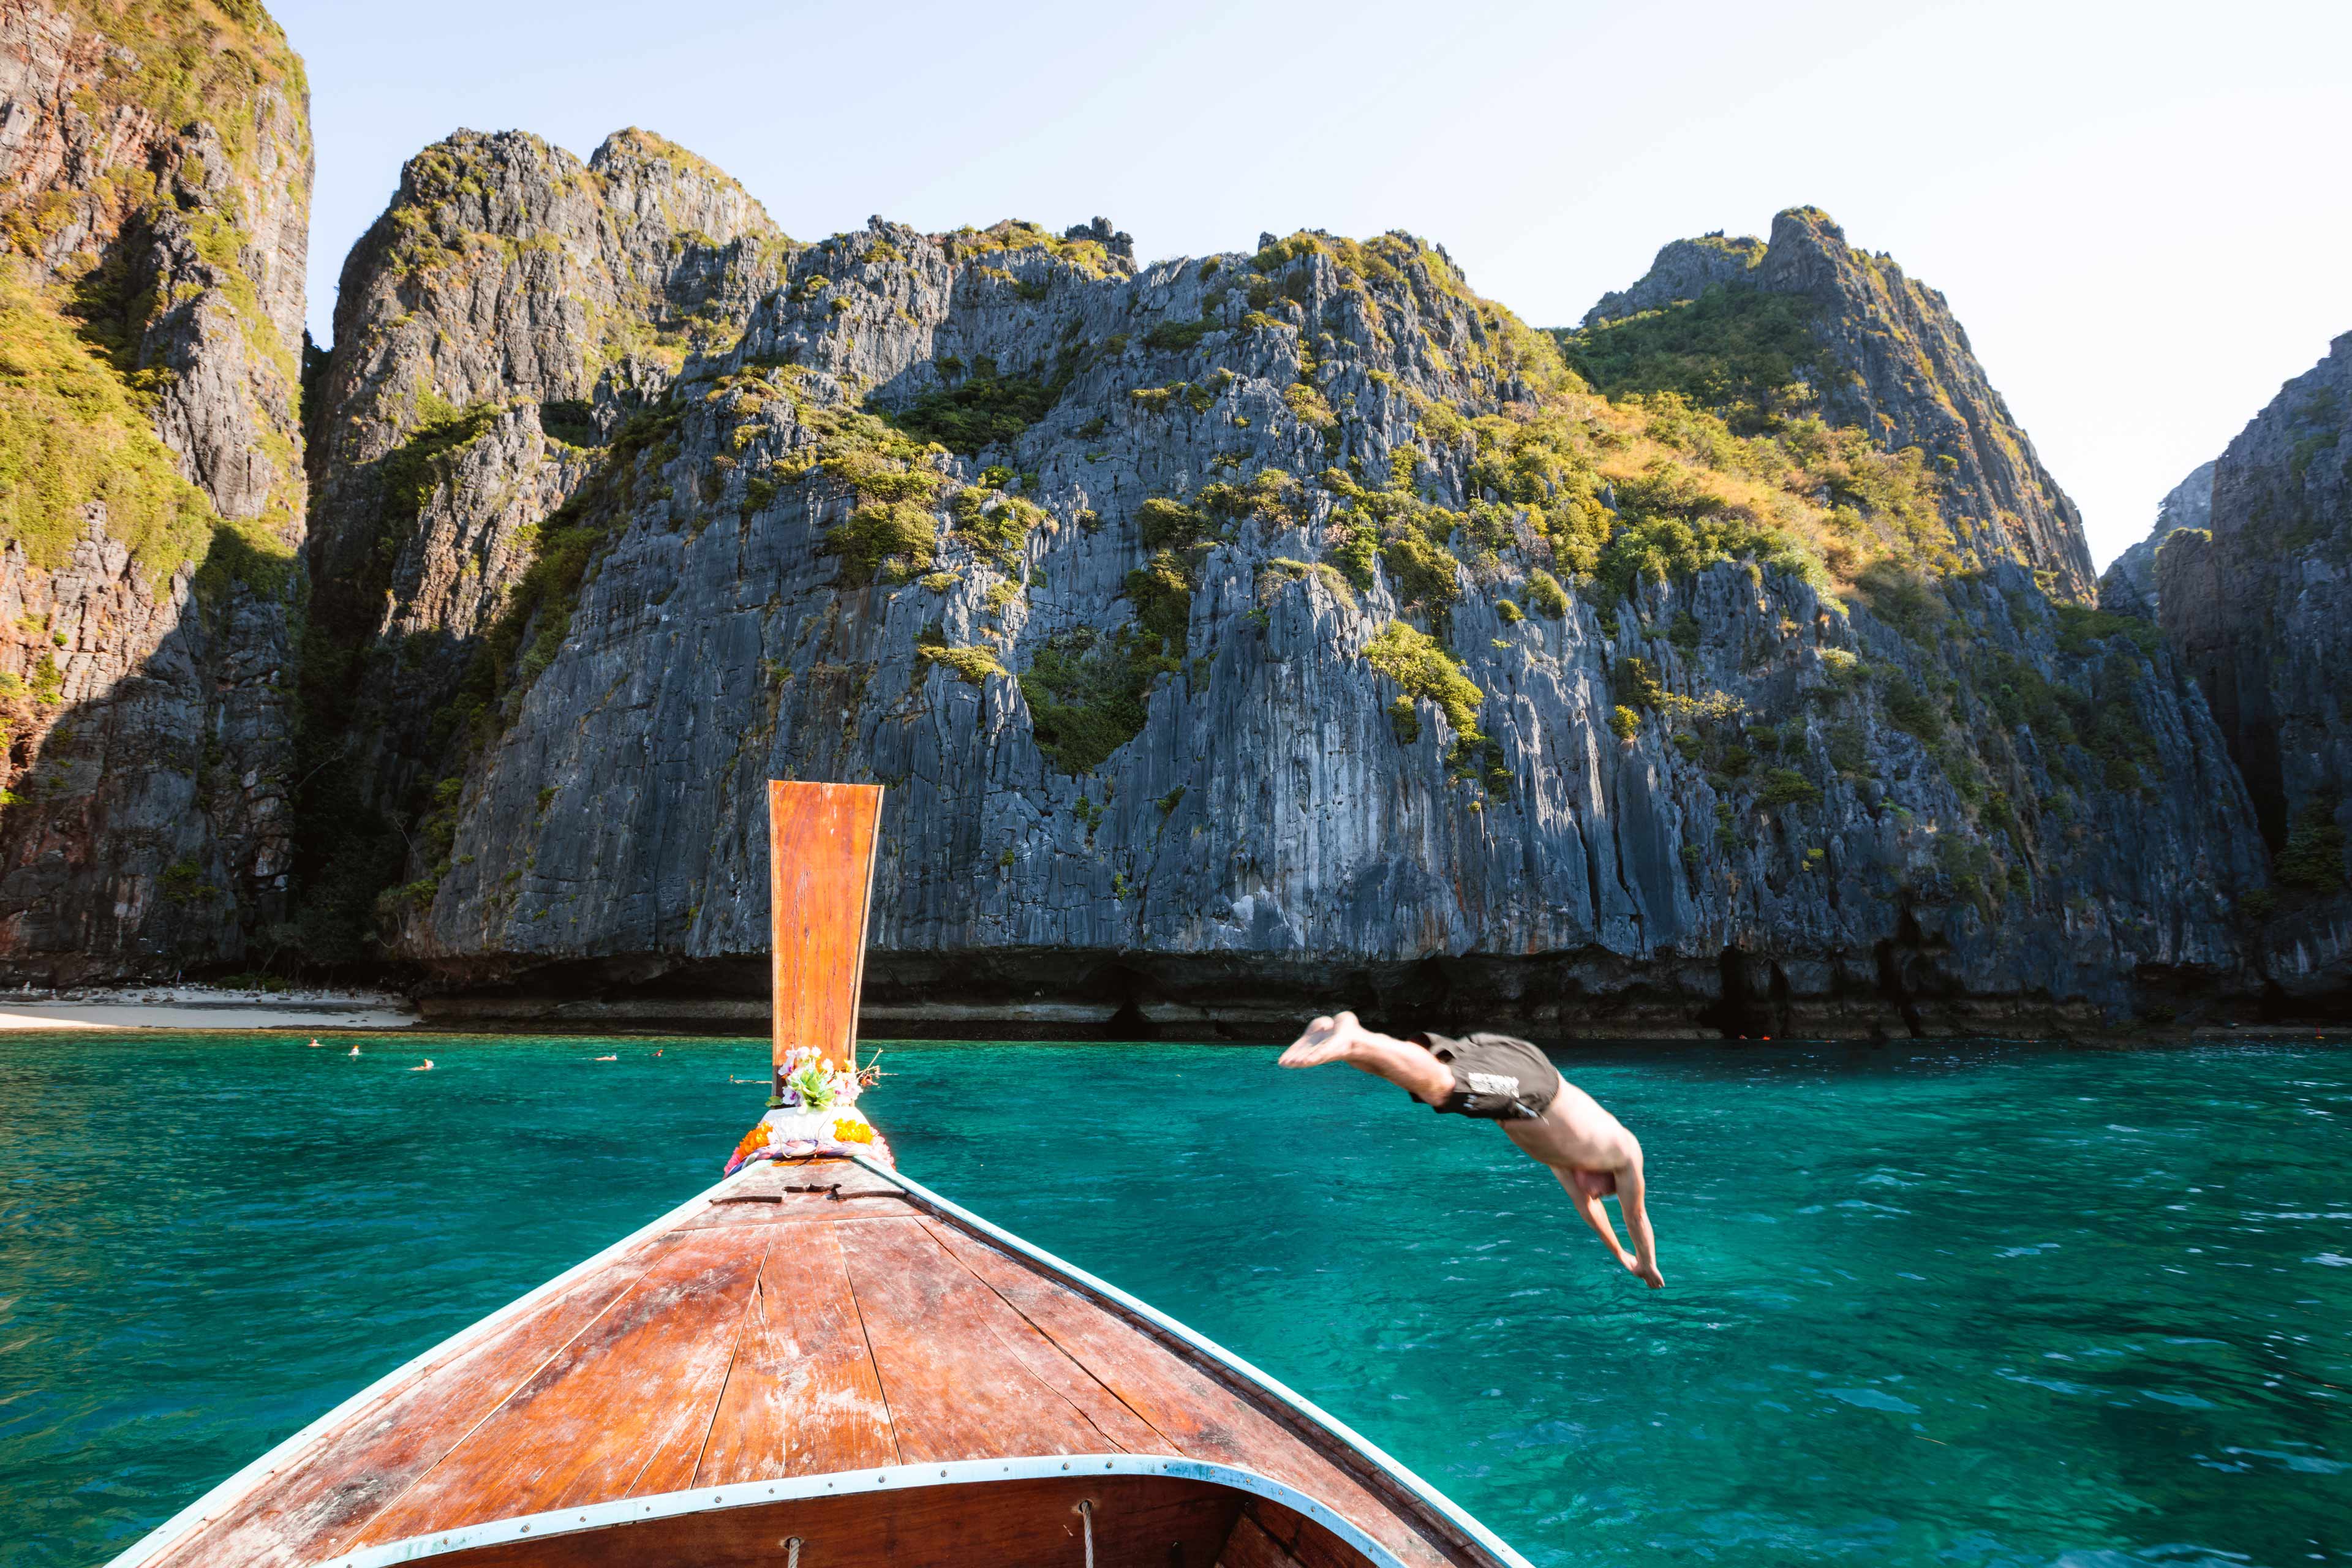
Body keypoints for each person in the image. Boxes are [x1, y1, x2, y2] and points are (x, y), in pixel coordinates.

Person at [1279, 1012, 1663, 1288]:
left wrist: (1621, 1258)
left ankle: (1343, 1036)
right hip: (1535, 1087)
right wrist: (1648, 1263)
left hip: (1523, 1079)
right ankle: (1354, 1038)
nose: (1593, 1194)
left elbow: (1588, 1211)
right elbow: (1636, 1215)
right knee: (1442, 1087)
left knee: (1426, 1079)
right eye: (1602, 1191)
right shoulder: (1623, 1152)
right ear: (1607, 1177)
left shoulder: (1564, 1159)